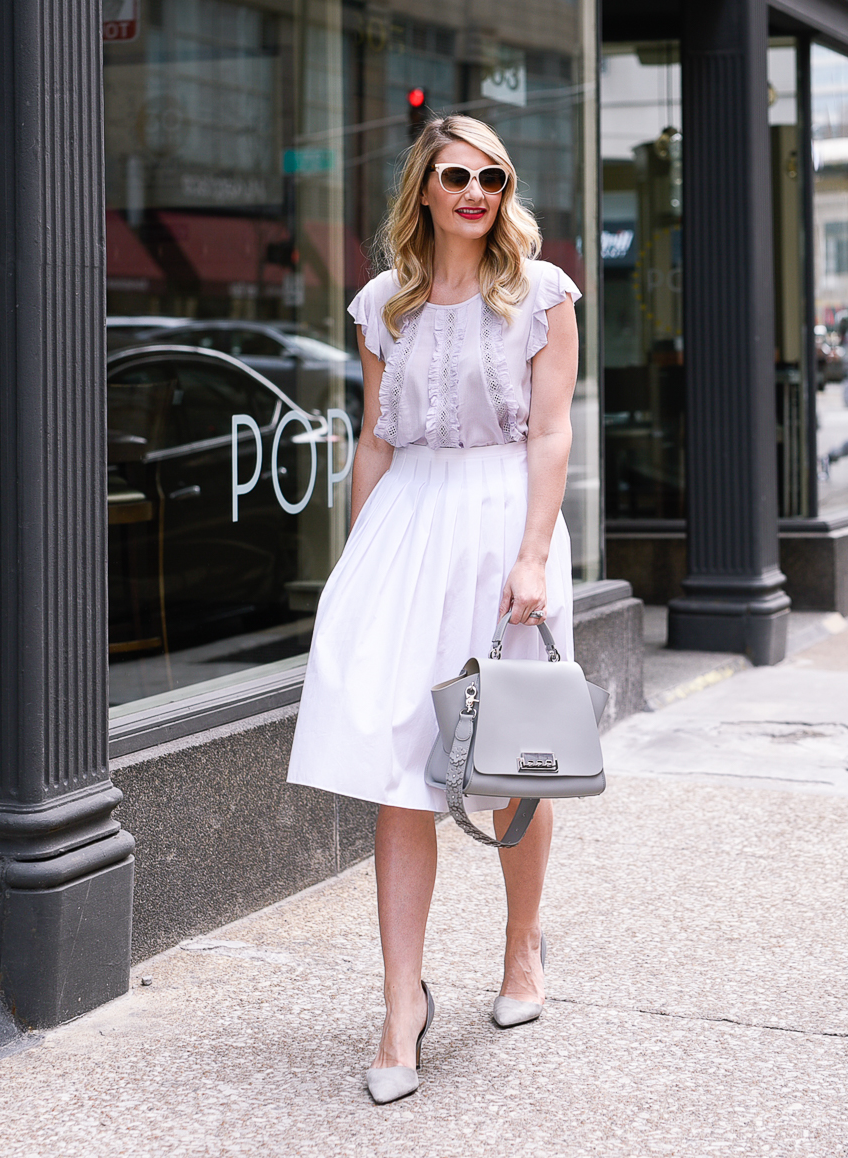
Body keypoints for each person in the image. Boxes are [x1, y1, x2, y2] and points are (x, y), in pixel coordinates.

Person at [286, 114, 580, 1104]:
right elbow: (373, 438)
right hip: (405, 524)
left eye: (494, 176)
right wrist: (355, 557)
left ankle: (521, 952)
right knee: (396, 763)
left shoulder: (540, 294)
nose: (477, 192)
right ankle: (399, 1002)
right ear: (424, 187)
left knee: (510, 754)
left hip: (503, 522)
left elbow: (549, 435)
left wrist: (535, 553)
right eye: (458, 175)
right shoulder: (383, 305)